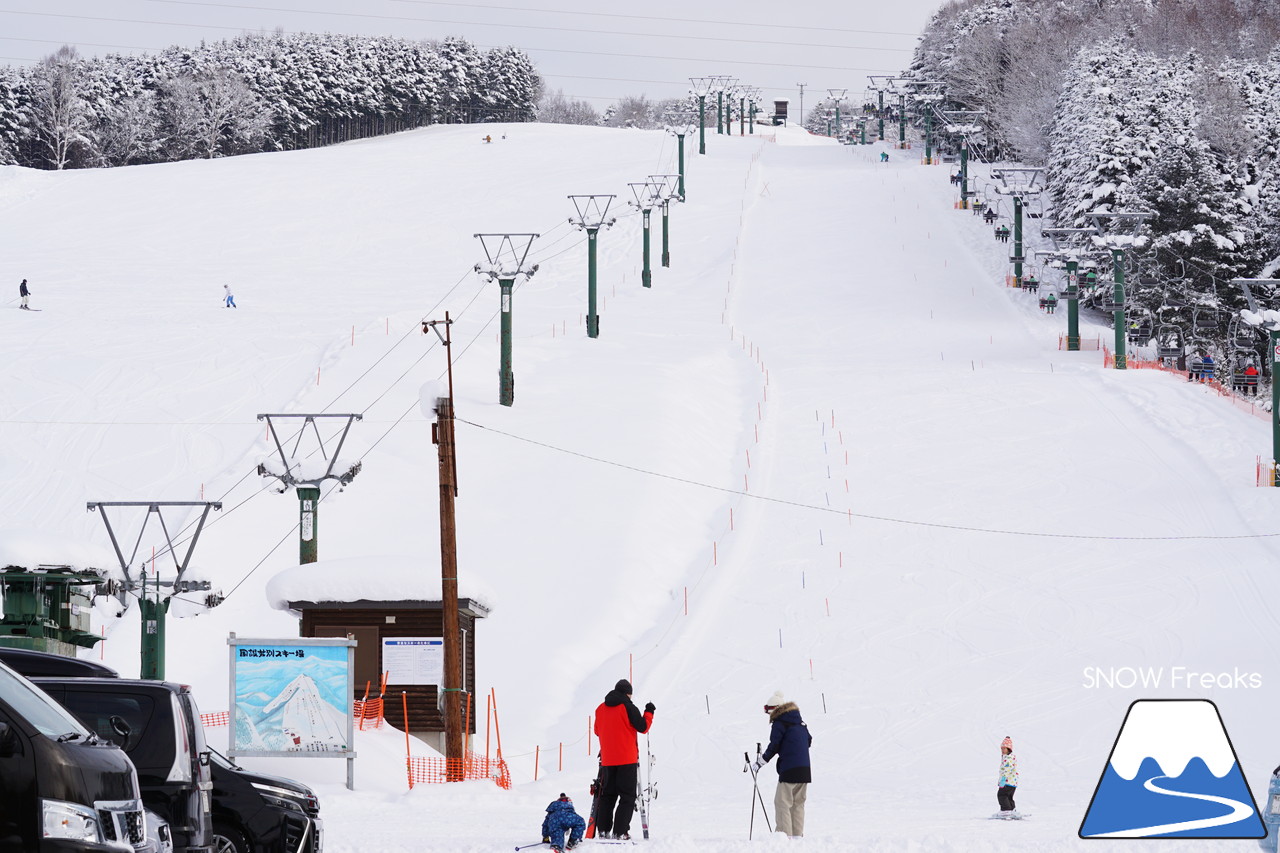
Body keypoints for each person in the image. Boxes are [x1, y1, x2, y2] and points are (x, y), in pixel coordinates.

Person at [592, 679, 654, 840]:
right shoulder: (628, 707)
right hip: (627, 758)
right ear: (628, 693)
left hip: (607, 760)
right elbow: (643, 727)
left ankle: (603, 830)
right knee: (627, 796)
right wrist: (649, 712)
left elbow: (597, 731)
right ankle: (620, 832)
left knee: (608, 796)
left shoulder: (600, 708)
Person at [751, 691, 812, 838]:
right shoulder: (800, 722)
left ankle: (783, 839)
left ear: (774, 709)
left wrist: (761, 762)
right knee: (798, 804)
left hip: (789, 769)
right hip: (805, 770)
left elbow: (774, 745)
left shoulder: (780, 722)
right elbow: (808, 741)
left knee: (782, 803)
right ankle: (797, 837)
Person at [997, 736, 1019, 818]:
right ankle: (1012, 810)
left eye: (1004, 749)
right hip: (1012, 782)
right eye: (1001, 749)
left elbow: (1007, 769)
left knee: (1002, 795)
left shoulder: (1008, 758)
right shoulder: (1010, 757)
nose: (1002, 751)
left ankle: (1006, 811)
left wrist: (1003, 779)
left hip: (1007, 781)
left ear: (1009, 749)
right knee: (1009, 797)